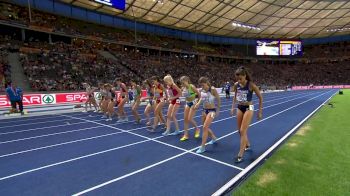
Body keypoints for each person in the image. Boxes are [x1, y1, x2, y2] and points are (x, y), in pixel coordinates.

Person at [231, 66, 263, 163]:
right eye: (237, 79)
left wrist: (260, 111)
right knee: (239, 131)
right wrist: (232, 107)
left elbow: (260, 98)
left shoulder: (251, 85)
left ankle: (240, 154)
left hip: (249, 107)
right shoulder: (236, 85)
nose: (239, 81)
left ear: (245, 76)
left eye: (240, 78)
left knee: (243, 130)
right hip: (240, 107)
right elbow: (235, 96)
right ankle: (247, 145)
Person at [194, 77, 221, 154]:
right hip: (204, 110)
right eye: (201, 85)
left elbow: (218, 99)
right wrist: (198, 104)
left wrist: (218, 110)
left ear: (206, 82)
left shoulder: (212, 89)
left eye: (203, 85)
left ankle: (202, 147)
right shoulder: (202, 90)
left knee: (205, 127)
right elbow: (201, 98)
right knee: (204, 126)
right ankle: (214, 138)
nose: (202, 87)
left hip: (212, 111)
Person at [179, 76, 201, 141]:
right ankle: (186, 135)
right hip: (187, 103)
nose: (183, 84)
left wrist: (197, 103)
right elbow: (184, 95)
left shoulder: (192, 86)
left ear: (187, 81)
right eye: (182, 83)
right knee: (185, 119)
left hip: (193, 103)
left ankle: (197, 129)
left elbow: (199, 95)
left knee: (190, 119)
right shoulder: (183, 88)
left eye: (184, 82)